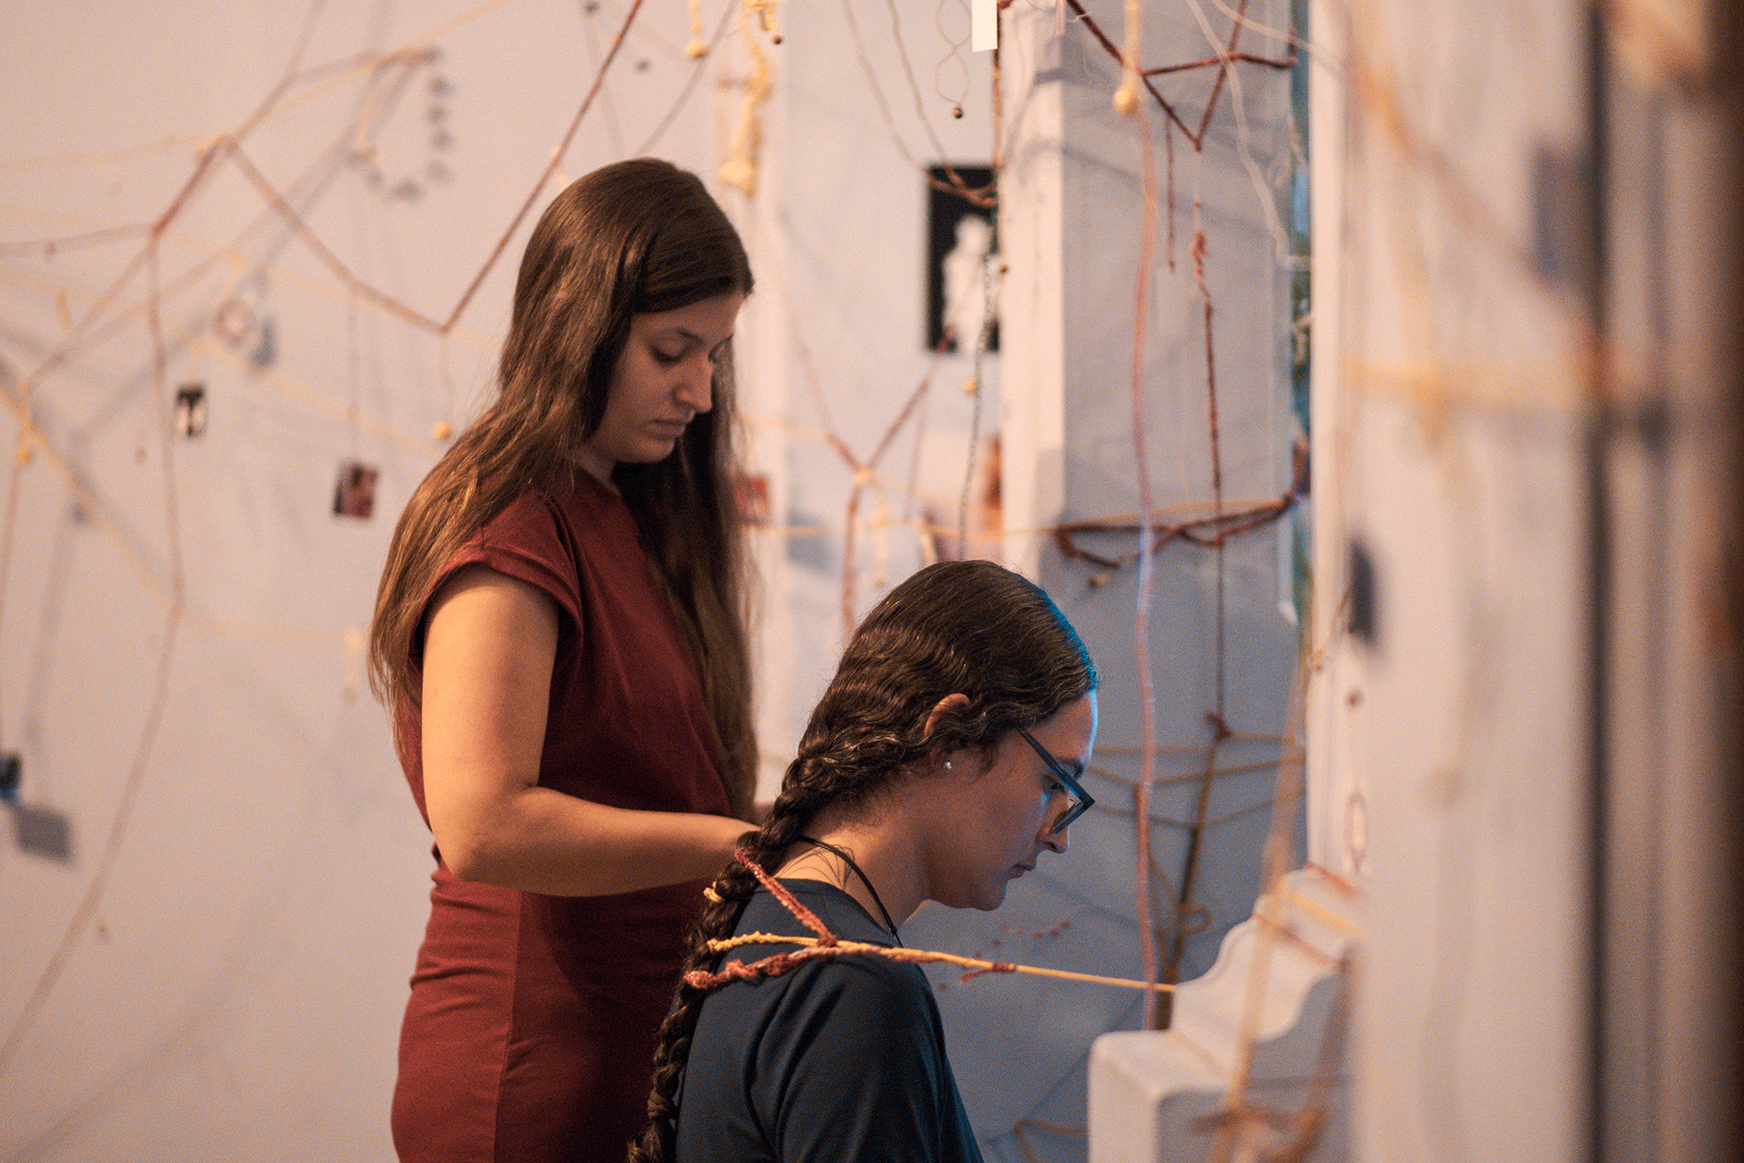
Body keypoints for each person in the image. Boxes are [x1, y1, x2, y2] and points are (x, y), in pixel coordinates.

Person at [366, 158, 760, 1163]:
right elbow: (485, 822)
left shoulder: (622, 510)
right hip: (527, 1074)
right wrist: (740, 844)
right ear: (579, 325)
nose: (700, 389)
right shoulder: (513, 523)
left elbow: (646, 783)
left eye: (715, 353)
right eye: (671, 350)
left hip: (620, 1054)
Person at [632, 559, 1100, 1163]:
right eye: (1054, 781)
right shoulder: (854, 989)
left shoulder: (769, 915)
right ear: (950, 740)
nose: (1060, 837)